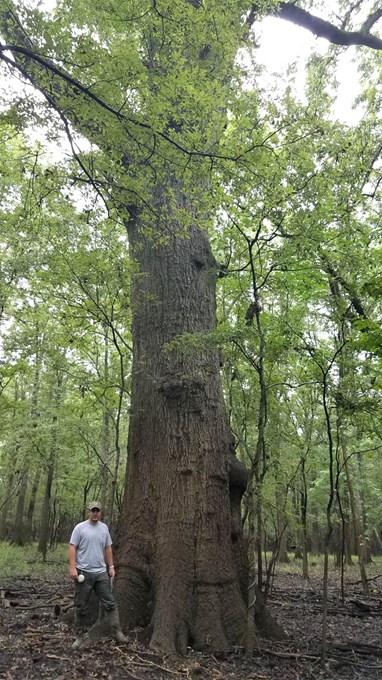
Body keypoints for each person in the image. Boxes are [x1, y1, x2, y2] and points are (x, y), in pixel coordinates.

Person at [68, 500, 127, 648]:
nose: (95, 513)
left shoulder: (104, 528)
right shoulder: (80, 528)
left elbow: (108, 548)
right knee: (81, 605)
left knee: (110, 602)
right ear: (89, 511)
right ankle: (80, 636)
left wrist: (111, 566)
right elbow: (72, 547)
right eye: (93, 510)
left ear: (101, 512)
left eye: (97, 511)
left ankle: (116, 631)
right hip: (83, 572)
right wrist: (72, 568)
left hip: (101, 572)